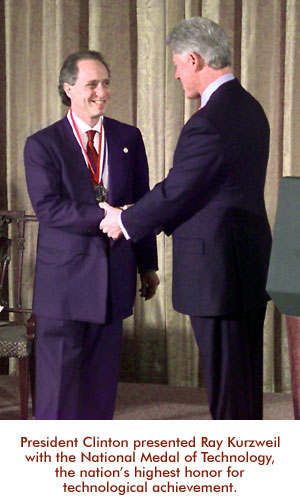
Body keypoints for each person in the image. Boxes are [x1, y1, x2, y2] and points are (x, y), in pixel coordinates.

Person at [100, 17, 272, 420]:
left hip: (218, 274)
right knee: (243, 385)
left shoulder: (209, 121)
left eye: (178, 65)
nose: (177, 74)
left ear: (194, 60)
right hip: (245, 266)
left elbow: (179, 190)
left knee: (228, 392)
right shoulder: (249, 108)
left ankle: (235, 475)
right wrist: (135, 210)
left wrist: (125, 223)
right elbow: (202, 186)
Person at [24, 50, 159, 420]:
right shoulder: (42, 144)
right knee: (57, 399)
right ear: (69, 89)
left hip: (113, 283)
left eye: (106, 83)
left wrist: (148, 264)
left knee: (100, 399)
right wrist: (108, 215)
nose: (102, 92)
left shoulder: (128, 137)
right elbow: (50, 208)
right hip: (64, 288)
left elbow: (141, 203)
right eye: (92, 84)